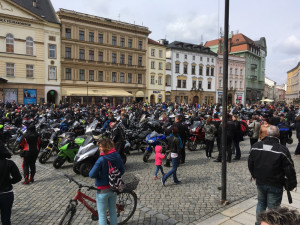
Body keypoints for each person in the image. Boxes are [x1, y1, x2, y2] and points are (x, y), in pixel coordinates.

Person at [248, 126, 297, 225]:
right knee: (273, 209)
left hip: (261, 181)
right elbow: (289, 169)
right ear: (278, 135)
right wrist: (292, 184)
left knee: (261, 203)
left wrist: (254, 175)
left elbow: (250, 164)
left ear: (267, 134)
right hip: (275, 183)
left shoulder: (256, 146)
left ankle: (258, 223)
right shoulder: (282, 149)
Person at [89, 139, 125, 225]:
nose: (99, 149)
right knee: (113, 212)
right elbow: (122, 170)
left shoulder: (101, 159)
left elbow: (91, 174)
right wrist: (114, 175)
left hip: (102, 191)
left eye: (101, 146)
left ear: (105, 147)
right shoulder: (117, 156)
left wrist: (101, 175)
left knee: (102, 215)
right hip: (113, 188)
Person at [0, 141, 22, 225]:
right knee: (6, 219)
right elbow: (18, 178)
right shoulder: (9, 163)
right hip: (6, 194)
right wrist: (9, 181)